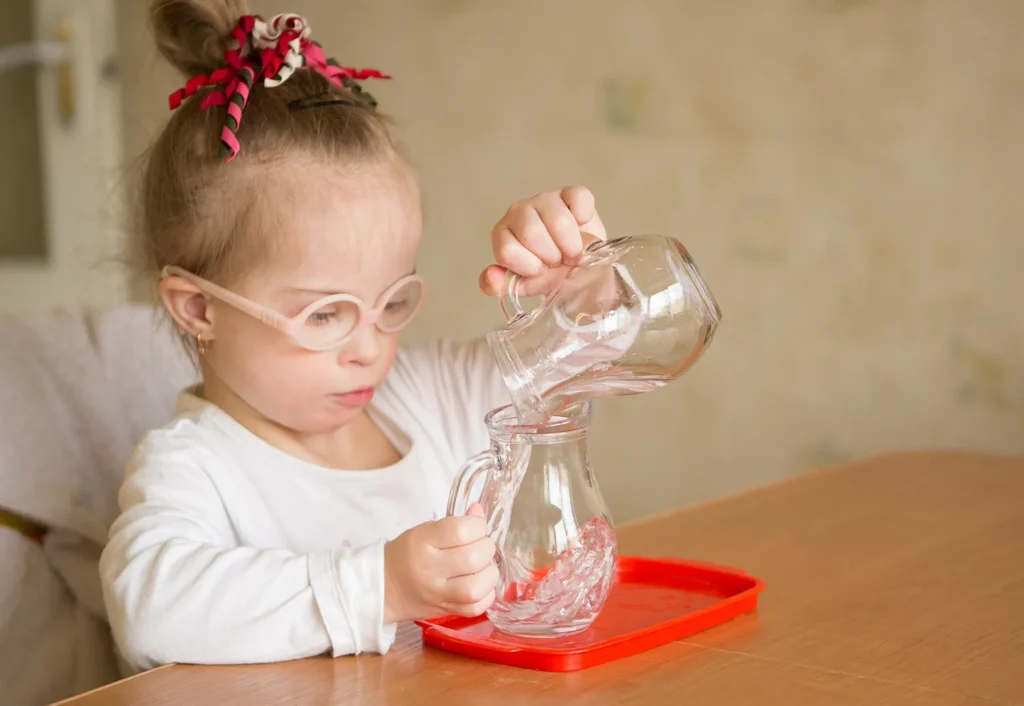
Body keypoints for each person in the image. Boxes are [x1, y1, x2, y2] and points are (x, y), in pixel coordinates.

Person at [99, 0, 608, 671]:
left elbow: (585, 357)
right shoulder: (195, 468)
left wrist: (584, 284)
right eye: (325, 314)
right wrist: (383, 585)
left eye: (392, 300)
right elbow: (148, 611)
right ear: (198, 309)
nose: (370, 348)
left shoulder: (427, 397)